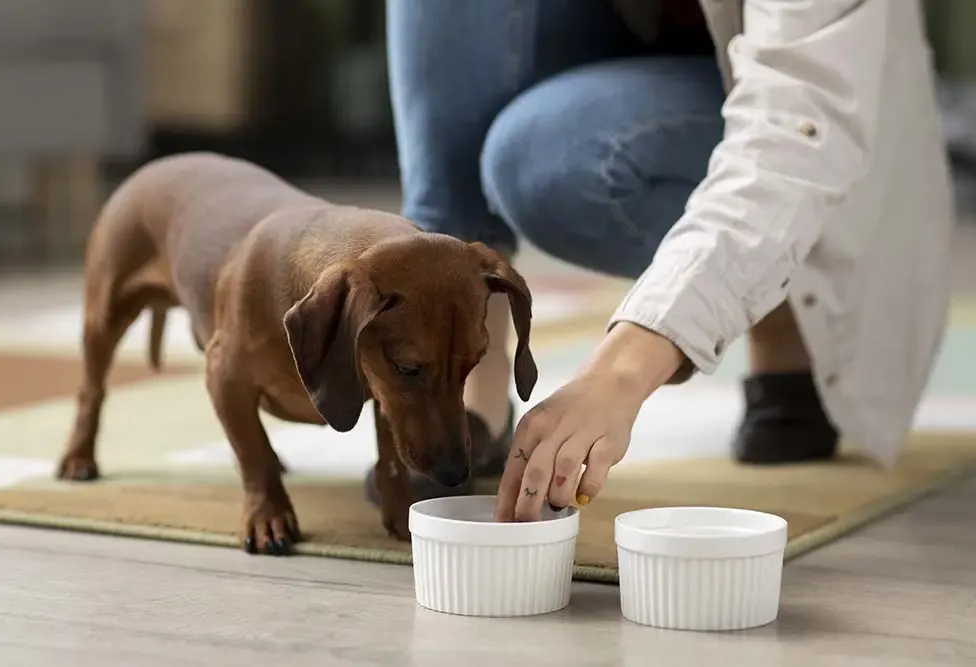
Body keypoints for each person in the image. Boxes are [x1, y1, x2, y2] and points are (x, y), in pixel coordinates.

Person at [369, 0, 954, 522]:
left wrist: (620, 373)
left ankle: (785, 317)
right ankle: (474, 376)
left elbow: (799, 127)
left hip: (795, 115)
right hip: (619, 54)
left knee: (548, 162)